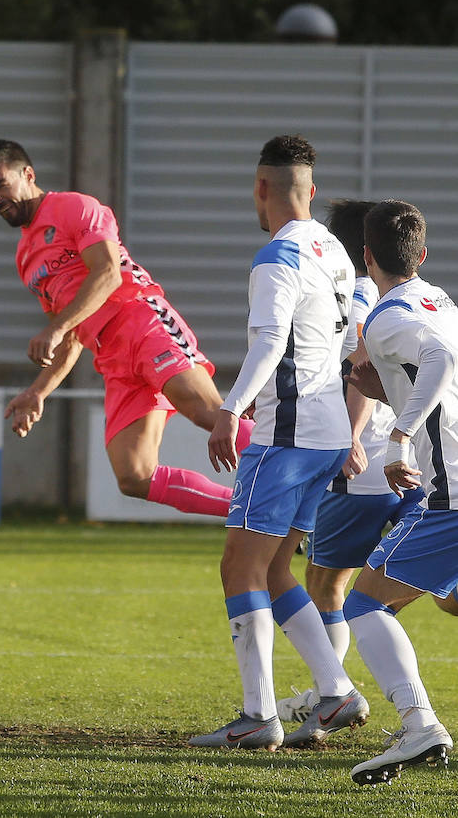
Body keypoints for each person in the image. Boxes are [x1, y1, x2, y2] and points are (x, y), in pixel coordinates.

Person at [0, 139, 251, 517]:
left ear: (28, 175)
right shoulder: (26, 256)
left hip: (142, 322)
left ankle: (323, 476)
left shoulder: (74, 207)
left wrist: (57, 328)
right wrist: (38, 392)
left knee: (204, 411)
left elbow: (109, 273)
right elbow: (70, 338)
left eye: (1, 186)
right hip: (112, 357)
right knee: (133, 475)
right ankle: (257, 513)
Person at [191, 134, 368, 751]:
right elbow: (353, 348)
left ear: (260, 188)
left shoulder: (276, 257)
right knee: (271, 569)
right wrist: (353, 428)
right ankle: (337, 690)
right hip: (325, 436)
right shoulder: (336, 252)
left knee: (239, 566)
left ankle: (257, 715)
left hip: (285, 436)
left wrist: (228, 410)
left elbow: (269, 343)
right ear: (312, 191)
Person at [275, 199, 439, 726]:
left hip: (367, 466)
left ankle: (336, 693)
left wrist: (358, 436)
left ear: (357, 253)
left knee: (334, 589)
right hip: (417, 470)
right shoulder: (426, 298)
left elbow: (366, 367)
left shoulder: (364, 301)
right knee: (433, 594)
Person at [338, 199, 455, 784]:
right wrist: (387, 398)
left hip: (451, 491)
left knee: (363, 601)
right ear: (424, 255)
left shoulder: (386, 318)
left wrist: (401, 435)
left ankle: (419, 726)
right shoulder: (442, 301)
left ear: (365, 257)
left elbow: (441, 358)